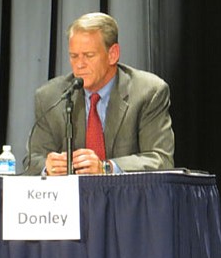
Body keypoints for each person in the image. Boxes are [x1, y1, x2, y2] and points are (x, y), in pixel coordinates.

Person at [24, 12, 175, 176]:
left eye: (89, 55)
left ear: (113, 54)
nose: (79, 64)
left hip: (128, 197)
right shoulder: (51, 97)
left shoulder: (148, 92)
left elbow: (161, 160)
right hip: (72, 199)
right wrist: (49, 166)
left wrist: (106, 167)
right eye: (74, 56)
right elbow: (32, 159)